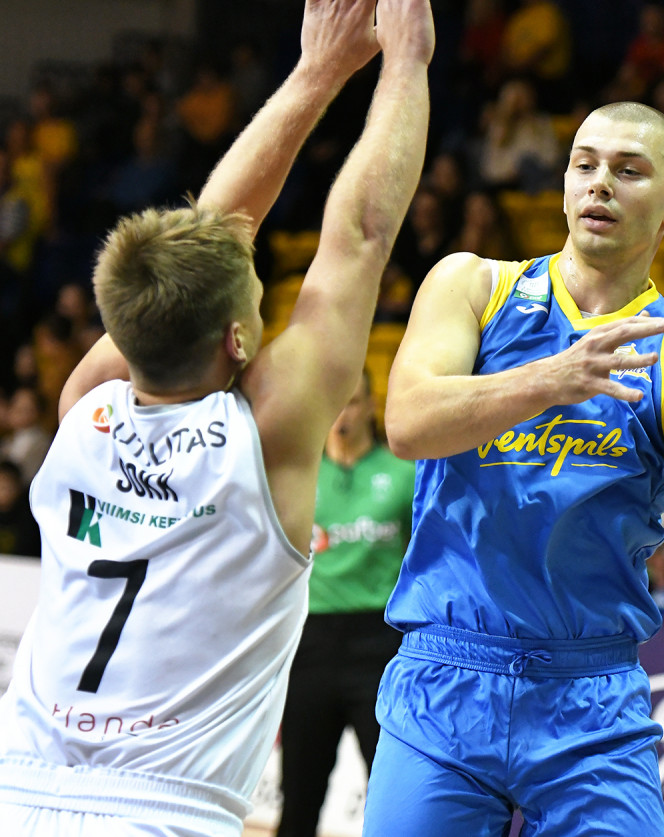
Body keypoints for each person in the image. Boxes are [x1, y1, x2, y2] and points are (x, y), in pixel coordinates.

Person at [0, 2, 432, 836]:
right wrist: (405, 61)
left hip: (16, 790)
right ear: (237, 338)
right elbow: (360, 235)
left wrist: (315, 73)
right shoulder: (261, 438)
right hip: (161, 812)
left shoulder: (82, 404)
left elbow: (209, 235)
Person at [363, 101, 664, 836]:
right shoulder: (473, 285)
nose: (600, 184)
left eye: (629, 171)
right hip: (446, 676)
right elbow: (408, 422)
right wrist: (551, 379)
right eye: (585, 165)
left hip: (590, 692)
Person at [277, 374, 416, 837]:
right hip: (311, 645)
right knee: (299, 796)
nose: (343, 414)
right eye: (334, 402)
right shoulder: (299, 475)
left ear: (372, 406)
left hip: (380, 646)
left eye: (353, 402)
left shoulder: (404, 474)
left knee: (394, 797)